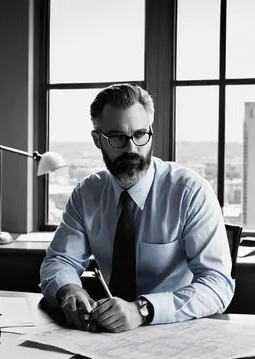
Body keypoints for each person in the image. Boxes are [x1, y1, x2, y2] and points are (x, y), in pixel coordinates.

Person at [40, 83, 235, 333]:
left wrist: (143, 309)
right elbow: (60, 259)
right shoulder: (87, 193)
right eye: (118, 137)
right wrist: (69, 290)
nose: (132, 149)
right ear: (98, 140)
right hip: (106, 335)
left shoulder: (191, 192)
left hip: (177, 332)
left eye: (140, 134)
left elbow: (218, 285)